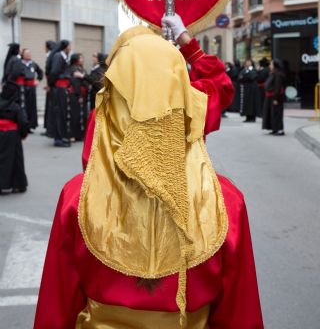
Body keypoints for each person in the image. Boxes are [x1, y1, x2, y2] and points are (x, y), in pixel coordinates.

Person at [34, 18, 263, 329]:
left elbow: (56, 309)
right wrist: (188, 43)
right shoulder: (226, 204)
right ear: (185, 96)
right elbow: (241, 316)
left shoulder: (78, 200)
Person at [0, 81, 29, 195]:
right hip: (12, 135)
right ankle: (18, 185)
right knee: (15, 160)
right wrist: (23, 134)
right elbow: (23, 122)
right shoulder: (15, 107)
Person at [47, 40, 72, 147]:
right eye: (70, 46)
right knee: (58, 113)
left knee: (62, 113)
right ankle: (57, 139)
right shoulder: (58, 56)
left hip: (61, 88)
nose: (71, 48)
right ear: (65, 47)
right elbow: (54, 72)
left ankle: (61, 136)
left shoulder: (62, 56)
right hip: (58, 89)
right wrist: (52, 85)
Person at [21, 49, 43, 132]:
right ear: (23, 54)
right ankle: (23, 125)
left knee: (31, 106)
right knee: (23, 106)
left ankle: (30, 125)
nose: (28, 55)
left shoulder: (33, 64)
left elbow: (40, 73)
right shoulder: (20, 63)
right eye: (26, 53)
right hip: (23, 87)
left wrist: (38, 80)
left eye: (29, 53)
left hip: (31, 88)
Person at [68, 53, 89, 142]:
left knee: (82, 115)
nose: (82, 59)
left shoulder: (81, 69)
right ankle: (73, 134)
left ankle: (80, 134)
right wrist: (79, 95)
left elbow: (86, 79)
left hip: (83, 94)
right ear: (76, 59)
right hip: (76, 94)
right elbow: (75, 83)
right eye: (80, 58)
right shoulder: (73, 69)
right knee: (75, 115)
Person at [262, 59, 286, 136]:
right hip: (270, 96)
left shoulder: (278, 75)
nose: (270, 66)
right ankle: (274, 128)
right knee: (271, 114)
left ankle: (279, 129)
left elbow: (277, 87)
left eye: (271, 64)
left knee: (277, 113)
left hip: (275, 97)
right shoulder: (273, 73)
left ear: (275, 65)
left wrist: (276, 98)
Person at [43, 40, 57, 136]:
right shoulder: (55, 55)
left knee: (51, 107)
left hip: (52, 85)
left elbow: (51, 73)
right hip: (53, 84)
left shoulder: (51, 56)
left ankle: (50, 129)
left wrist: (49, 84)